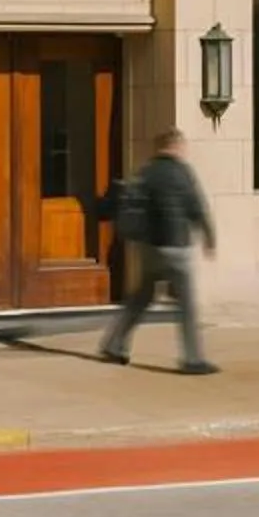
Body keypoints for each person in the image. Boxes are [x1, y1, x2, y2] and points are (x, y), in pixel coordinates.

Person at [100, 129, 217, 375]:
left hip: (150, 248)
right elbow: (197, 206)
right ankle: (192, 359)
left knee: (140, 299)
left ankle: (114, 344)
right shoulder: (181, 172)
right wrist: (209, 237)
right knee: (187, 305)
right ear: (174, 146)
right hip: (176, 247)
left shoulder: (147, 172)